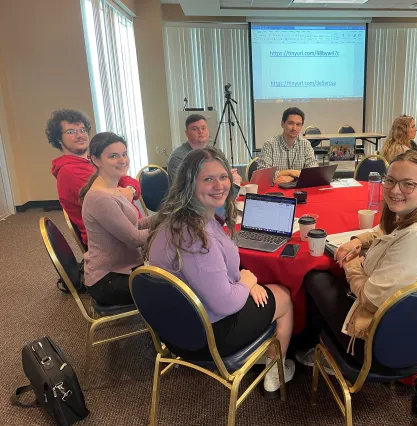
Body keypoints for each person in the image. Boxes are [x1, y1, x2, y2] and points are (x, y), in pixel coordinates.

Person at [147, 147, 295, 397]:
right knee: (283, 295)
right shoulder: (197, 237)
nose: (219, 185)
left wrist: (241, 281)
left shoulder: (172, 219)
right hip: (208, 336)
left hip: (174, 330)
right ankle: (273, 371)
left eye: (223, 177)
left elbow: (205, 275)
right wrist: (247, 281)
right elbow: (226, 303)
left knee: (257, 288)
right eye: (208, 179)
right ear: (189, 184)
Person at [298, 151, 417, 365]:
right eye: (390, 180)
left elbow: (370, 298)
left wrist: (351, 264)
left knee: (316, 277)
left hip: (383, 342)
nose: (394, 190)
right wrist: (359, 241)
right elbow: (387, 230)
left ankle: (316, 346)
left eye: (408, 184)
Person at [47, 109, 141, 245]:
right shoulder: (70, 171)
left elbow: (126, 179)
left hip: (127, 228)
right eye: (71, 132)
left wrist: (131, 190)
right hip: (114, 242)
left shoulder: (92, 161)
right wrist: (126, 190)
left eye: (83, 130)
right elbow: (116, 201)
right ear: (58, 139)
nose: (79, 135)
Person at [79, 132, 152, 306]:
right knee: (178, 286)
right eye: (113, 156)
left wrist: (166, 217)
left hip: (122, 269)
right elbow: (134, 239)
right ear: (96, 160)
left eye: (124, 154)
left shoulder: (112, 188)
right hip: (108, 281)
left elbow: (134, 225)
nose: (122, 160)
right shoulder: (100, 197)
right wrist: (171, 226)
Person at [167, 114, 242, 186]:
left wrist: (235, 178)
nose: (200, 132)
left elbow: (230, 175)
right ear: (186, 133)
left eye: (203, 128)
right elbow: (185, 187)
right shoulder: (178, 157)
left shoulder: (216, 152)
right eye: (195, 129)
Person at [257, 107, 318, 186]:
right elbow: (263, 175)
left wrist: (290, 177)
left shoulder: (306, 144)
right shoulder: (269, 145)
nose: (294, 128)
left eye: (298, 124)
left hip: (299, 190)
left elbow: (313, 172)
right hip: (276, 192)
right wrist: (292, 172)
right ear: (282, 124)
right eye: (290, 123)